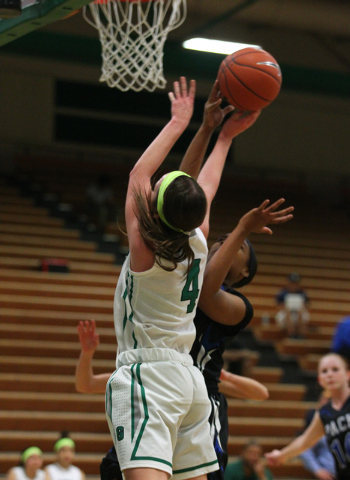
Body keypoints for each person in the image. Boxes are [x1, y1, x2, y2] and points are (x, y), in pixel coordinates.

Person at [106, 76, 263, 480]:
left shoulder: (146, 248)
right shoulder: (197, 242)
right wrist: (214, 134)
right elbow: (194, 187)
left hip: (149, 377)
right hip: (190, 383)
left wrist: (181, 122)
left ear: (154, 207)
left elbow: (145, 175)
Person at [265, 353, 350, 479]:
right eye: (324, 371)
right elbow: (305, 441)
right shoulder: (323, 414)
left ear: (348, 374)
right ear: (320, 379)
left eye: (335, 369)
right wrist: (283, 455)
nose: (330, 374)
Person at [299, 392, 336, 480]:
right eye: (327, 400)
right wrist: (317, 470)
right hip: (329, 474)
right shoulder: (318, 419)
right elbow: (304, 448)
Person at [274, 272, 310, 337]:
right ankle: (290, 334)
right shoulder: (283, 293)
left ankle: (300, 334)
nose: (293, 285)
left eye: (295, 283)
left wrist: (300, 311)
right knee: (286, 315)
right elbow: (278, 304)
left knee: (304, 315)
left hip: (298, 313)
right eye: (292, 283)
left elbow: (307, 305)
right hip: (285, 313)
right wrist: (285, 309)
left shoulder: (302, 293)